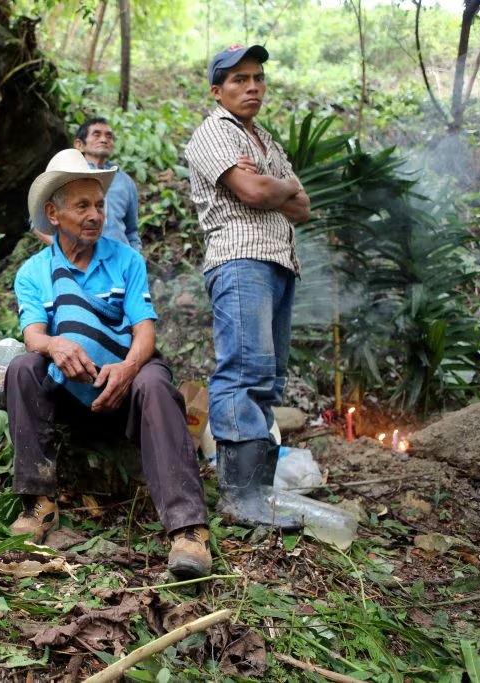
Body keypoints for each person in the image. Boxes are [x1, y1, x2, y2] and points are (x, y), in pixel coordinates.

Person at [5, 149, 211, 579]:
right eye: (82, 206)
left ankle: (188, 530)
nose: (95, 215)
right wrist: (54, 345)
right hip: (70, 390)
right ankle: (38, 503)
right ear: (53, 213)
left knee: (155, 382)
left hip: (125, 379)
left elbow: (145, 333)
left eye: (99, 205)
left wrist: (128, 368)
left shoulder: (126, 261)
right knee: (24, 367)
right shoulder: (33, 273)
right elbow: (33, 334)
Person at [184, 45, 312, 528]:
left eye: (257, 77)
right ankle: (239, 496)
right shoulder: (214, 132)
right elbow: (257, 192)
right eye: (238, 79)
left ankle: (256, 492)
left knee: (269, 377)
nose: (252, 86)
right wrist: (277, 187)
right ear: (217, 91)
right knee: (244, 370)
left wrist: (273, 187)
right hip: (241, 260)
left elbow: (302, 208)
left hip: (278, 262)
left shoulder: (267, 142)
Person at [34, 117, 142, 252]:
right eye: (96, 134)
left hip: (120, 264)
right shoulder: (67, 175)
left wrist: (134, 258)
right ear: (79, 144)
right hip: (79, 262)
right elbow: (37, 223)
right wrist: (66, 253)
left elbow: (132, 231)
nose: (104, 139)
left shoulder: (124, 181)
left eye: (109, 136)